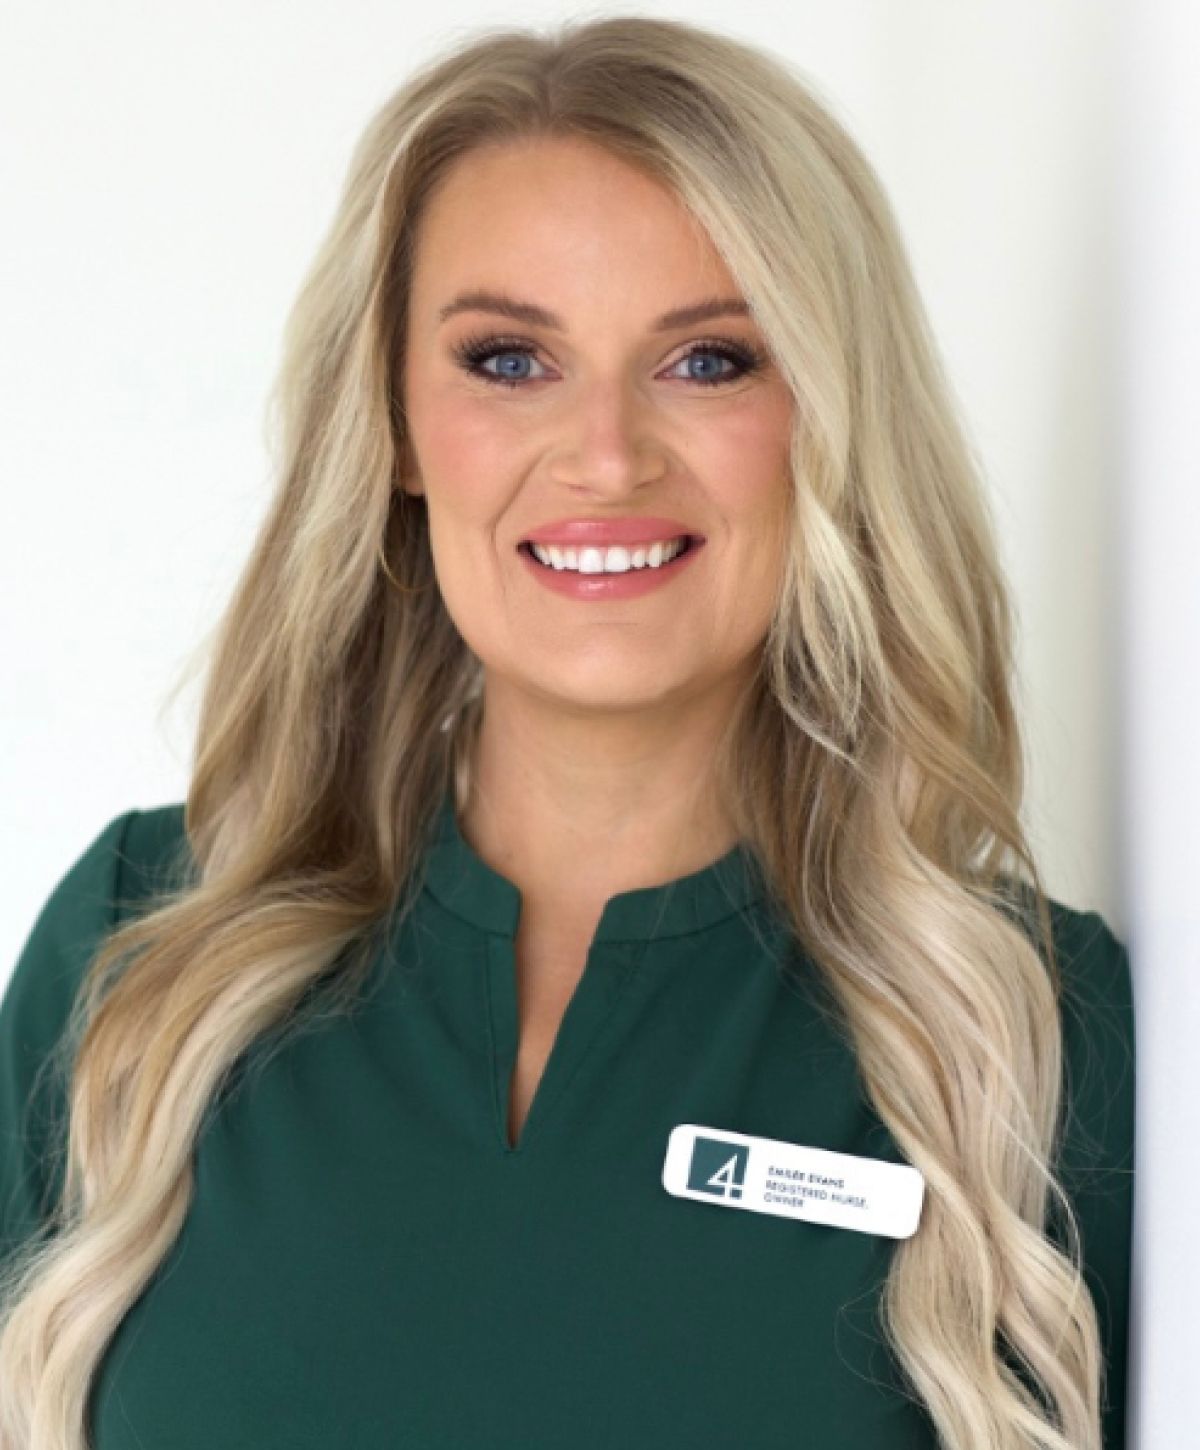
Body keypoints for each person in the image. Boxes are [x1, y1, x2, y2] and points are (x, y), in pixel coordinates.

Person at [0, 14, 1135, 1450]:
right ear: (394, 426)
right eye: (509, 360)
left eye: (709, 361)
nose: (607, 456)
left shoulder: (1027, 1037)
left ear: (830, 417)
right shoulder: (136, 956)